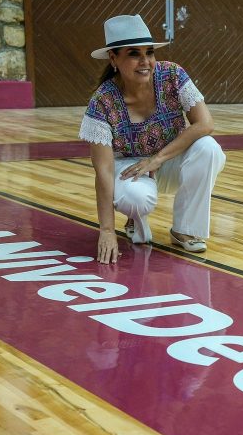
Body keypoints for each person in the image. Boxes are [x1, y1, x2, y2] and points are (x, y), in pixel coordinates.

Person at [79, 14, 226, 263]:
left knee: (209, 149)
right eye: (134, 54)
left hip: (167, 161)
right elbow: (103, 170)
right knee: (136, 198)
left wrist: (156, 159)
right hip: (129, 168)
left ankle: (185, 229)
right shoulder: (102, 101)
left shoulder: (172, 75)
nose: (145, 61)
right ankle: (134, 218)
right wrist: (106, 230)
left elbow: (205, 123)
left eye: (149, 52)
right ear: (113, 58)